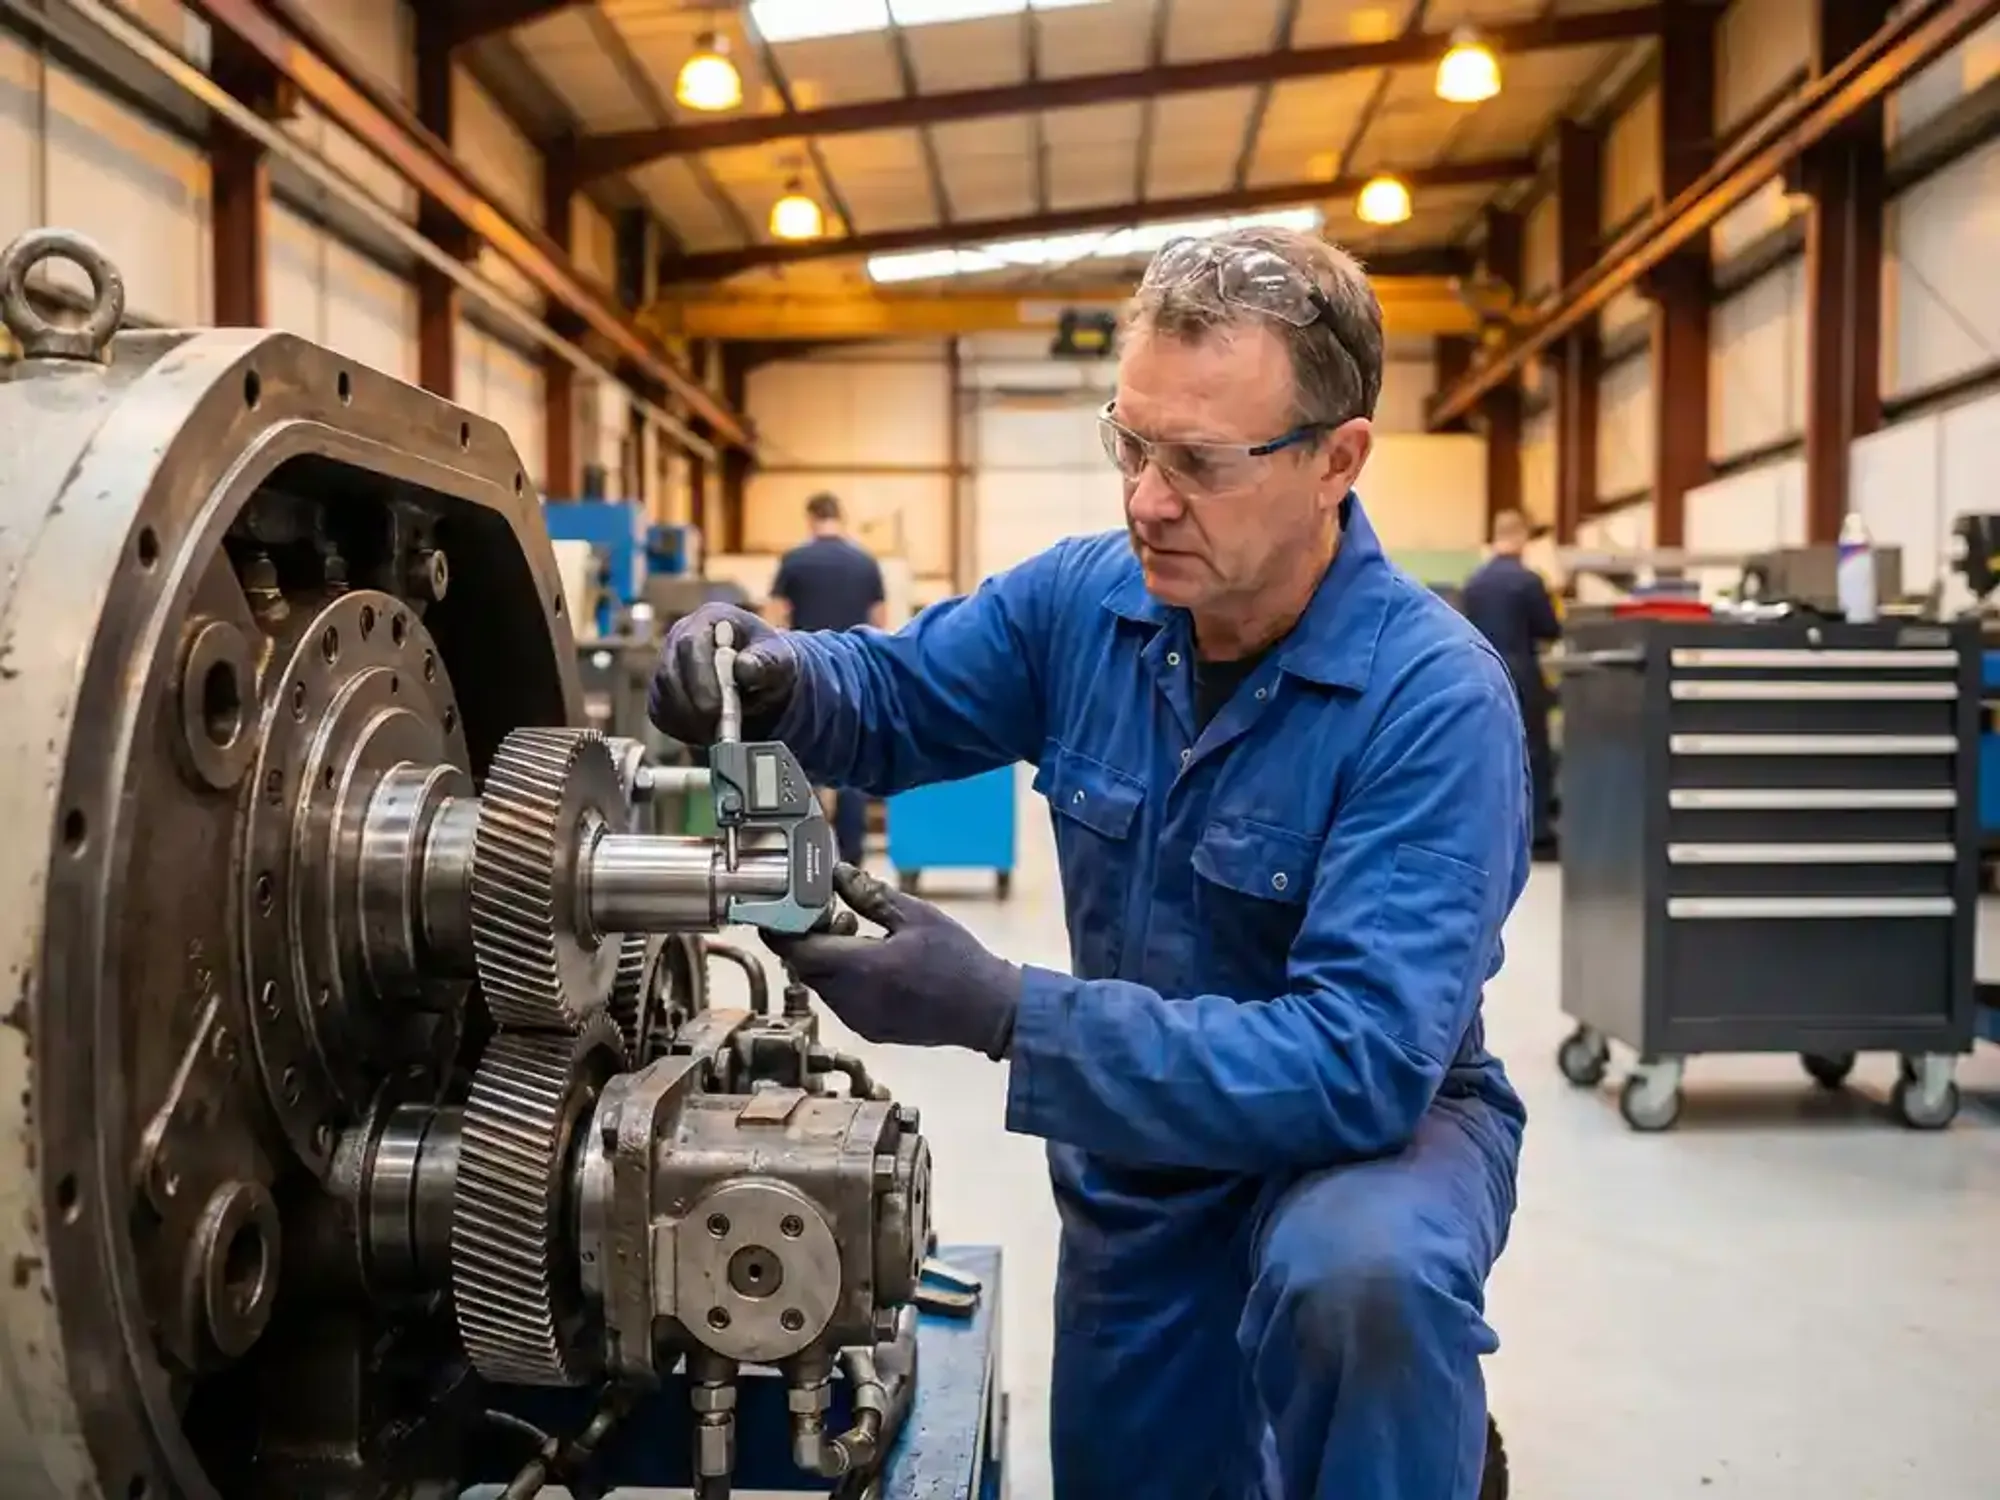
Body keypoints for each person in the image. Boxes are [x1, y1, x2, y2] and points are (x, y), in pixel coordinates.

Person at [651, 227, 1531, 1500]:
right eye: (1130, 442)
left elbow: (1357, 1064)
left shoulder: (1432, 700)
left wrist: (1010, 1015)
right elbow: (894, 697)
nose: (1145, 500)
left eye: (1199, 462)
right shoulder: (1088, 605)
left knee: (1359, 1278)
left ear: (1335, 460)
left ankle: (1399, 1442)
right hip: (1144, 1150)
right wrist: (780, 674)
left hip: (1369, 1139)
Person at [764, 492, 886, 865]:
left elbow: (774, 618)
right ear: (840, 517)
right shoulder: (866, 562)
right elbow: (880, 621)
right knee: (852, 765)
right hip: (855, 673)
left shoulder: (795, 560)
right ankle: (852, 861)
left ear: (811, 518)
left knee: (803, 763)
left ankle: (809, 856)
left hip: (807, 674)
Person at [1460, 510, 1561, 860]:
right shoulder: (1529, 581)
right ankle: (1537, 835)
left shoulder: (1474, 583)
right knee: (1532, 753)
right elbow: (1550, 629)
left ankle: (1488, 833)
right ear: (1521, 538)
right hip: (1522, 675)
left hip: (1481, 674)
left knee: (1485, 750)